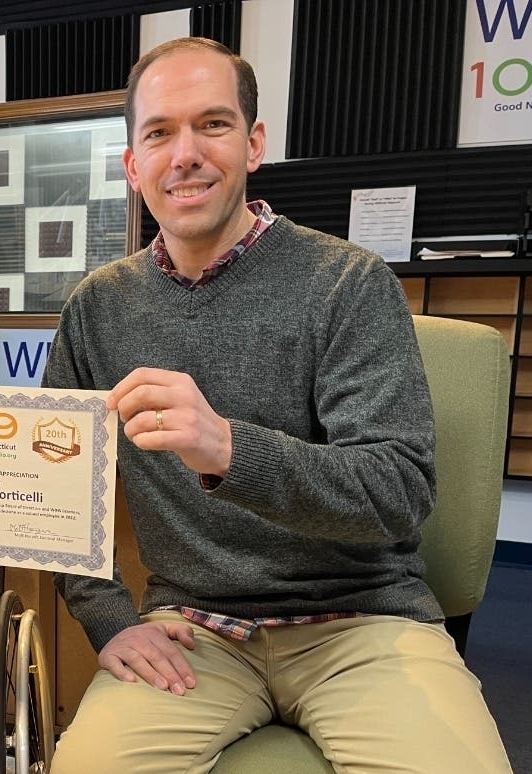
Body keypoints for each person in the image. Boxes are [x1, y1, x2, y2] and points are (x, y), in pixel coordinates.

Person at [41, 37, 512, 773]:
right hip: (194, 630)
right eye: (159, 133)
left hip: (362, 622)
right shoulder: (97, 309)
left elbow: (398, 490)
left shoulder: (347, 284)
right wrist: (108, 620)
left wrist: (229, 448)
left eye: (214, 125)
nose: (185, 153)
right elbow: (59, 494)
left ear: (254, 144)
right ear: (133, 165)